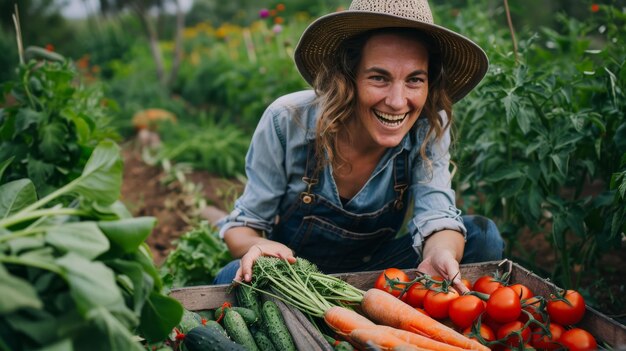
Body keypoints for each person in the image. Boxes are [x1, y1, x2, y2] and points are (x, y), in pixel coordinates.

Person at [212, 0, 504, 293]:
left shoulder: (428, 123)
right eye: (379, 77)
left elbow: (437, 215)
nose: (398, 101)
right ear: (347, 77)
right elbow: (242, 227)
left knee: (483, 237)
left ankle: (390, 313)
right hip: (294, 280)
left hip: (376, 275)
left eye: (415, 79)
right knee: (231, 277)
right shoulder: (288, 120)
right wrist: (262, 246)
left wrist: (439, 253)